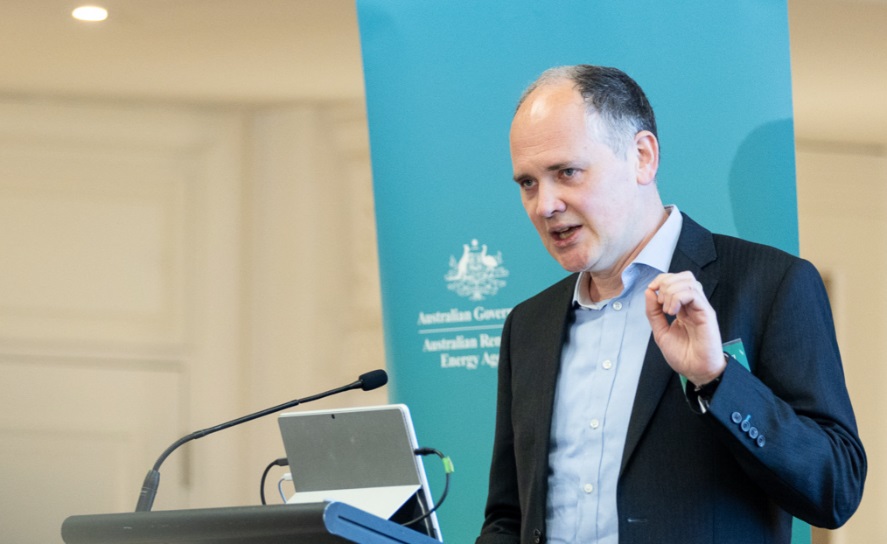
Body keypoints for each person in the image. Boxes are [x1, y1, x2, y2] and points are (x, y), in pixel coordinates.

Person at [476, 65, 866, 544]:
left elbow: (836, 489)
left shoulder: (771, 284)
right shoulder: (527, 325)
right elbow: (507, 519)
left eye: (567, 172)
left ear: (642, 157)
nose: (545, 205)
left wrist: (717, 379)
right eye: (528, 183)